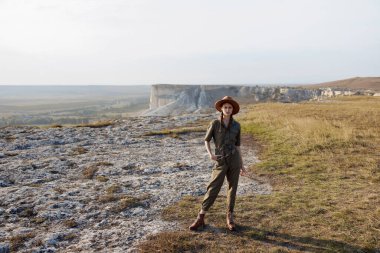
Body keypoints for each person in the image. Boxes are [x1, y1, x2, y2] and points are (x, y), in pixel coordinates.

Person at [189, 96, 247, 231]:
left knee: (232, 189)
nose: (228, 109)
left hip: (234, 161)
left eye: (230, 107)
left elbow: (238, 147)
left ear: (233, 110)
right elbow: (206, 140)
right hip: (220, 160)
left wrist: (242, 165)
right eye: (225, 107)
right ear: (221, 109)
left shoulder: (237, 125)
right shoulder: (214, 124)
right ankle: (201, 217)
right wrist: (210, 154)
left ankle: (230, 217)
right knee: (213, 187)